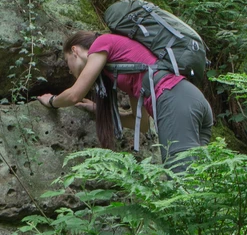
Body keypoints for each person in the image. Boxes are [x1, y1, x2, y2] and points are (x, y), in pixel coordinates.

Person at [38, 30, 215, 171]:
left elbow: (75, 94)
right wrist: (97, 108)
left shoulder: (103, 42)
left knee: (181, 175)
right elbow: (142, 124)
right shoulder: (123, 68)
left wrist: (52, 100)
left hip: (174, 101)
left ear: (74, 51)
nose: (69, 71)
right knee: (198, 178)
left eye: (67, 61)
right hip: (190, 100)